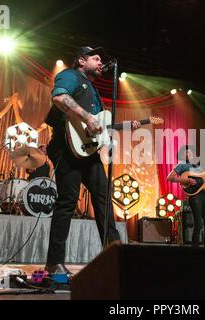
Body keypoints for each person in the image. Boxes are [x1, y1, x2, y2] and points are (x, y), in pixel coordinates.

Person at [44, 46, 140, 275]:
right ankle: (53, 263)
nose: (100, 62)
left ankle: (115, 256)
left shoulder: (94, 91)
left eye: (101, 59)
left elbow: (99, 127)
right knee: (67, 202)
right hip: (66, 149)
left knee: (104, 199)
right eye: (95, 58)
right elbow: (59, 97)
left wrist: (105, 142)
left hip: (89, 152)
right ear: (80, 60)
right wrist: (87, 117)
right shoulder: (70, 75)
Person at [167, 145, 205, 248]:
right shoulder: (182, 165)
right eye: (187, 153)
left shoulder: (200, 168)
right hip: (194, 197)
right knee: (198, 224)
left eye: (191, 152)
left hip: (204, 196)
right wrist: (186, 180)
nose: (189, 154)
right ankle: (195, 249)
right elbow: (169, 177)